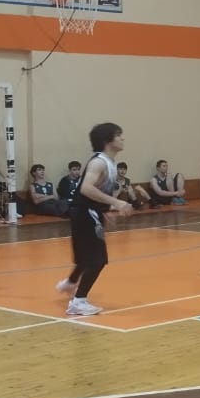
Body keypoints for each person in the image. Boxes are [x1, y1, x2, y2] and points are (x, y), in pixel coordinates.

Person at [56, 122, 133, 317]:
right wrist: (116, 202)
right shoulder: (99, 162)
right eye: (119, 135)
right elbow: (86, 188)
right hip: (84, 212)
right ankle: (78, 302)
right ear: (108, 140)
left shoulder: (110, 162)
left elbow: (95, 192)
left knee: (86, 256)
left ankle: (70, 283)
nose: (123, 138)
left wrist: (103, 211)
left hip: (89, 211)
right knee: (97, 259)